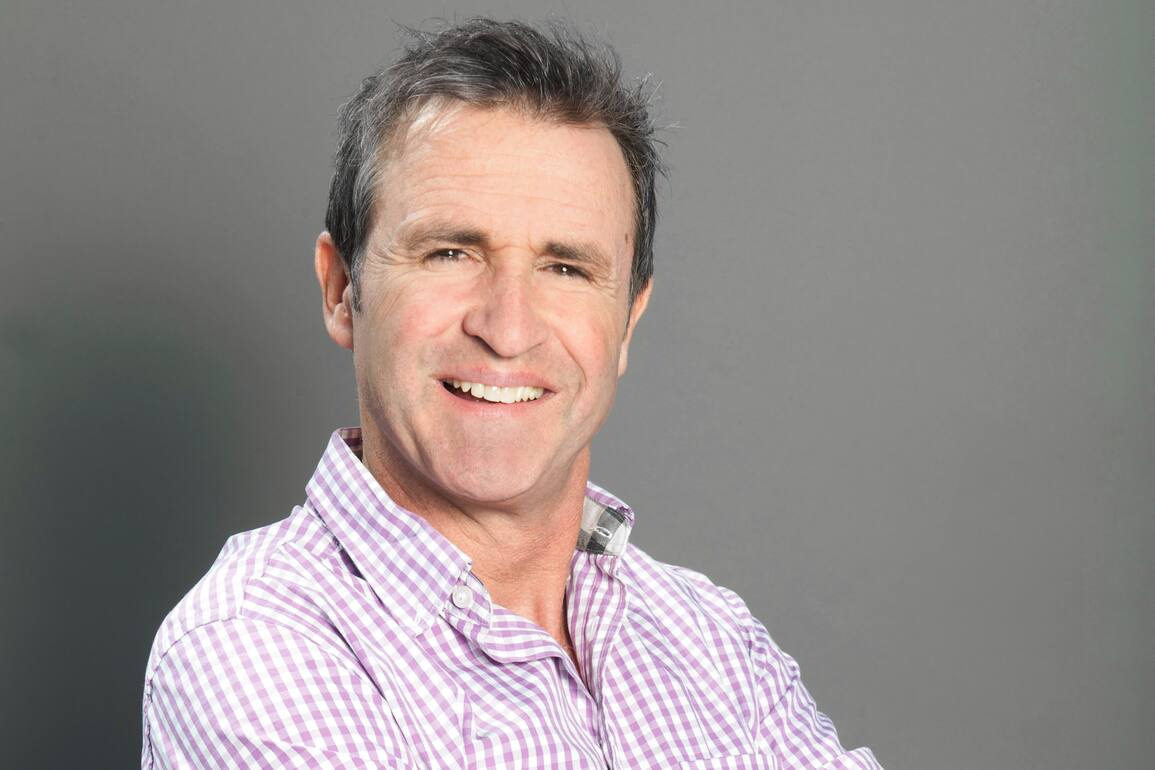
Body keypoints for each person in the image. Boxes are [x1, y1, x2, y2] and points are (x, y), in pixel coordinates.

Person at [141, 18, 882, 770]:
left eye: (566, 268)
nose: (508, 329)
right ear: (341, 292)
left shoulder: (714, 643)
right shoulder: (251, 651)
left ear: (627, 321)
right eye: (450, 252)